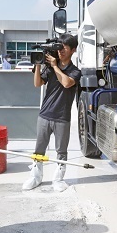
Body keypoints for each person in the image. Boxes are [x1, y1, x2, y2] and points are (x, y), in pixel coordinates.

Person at [22, 34, 81, 192]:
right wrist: (38, 65)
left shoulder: (75, 71)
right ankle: (35, 177)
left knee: (61, 151)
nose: (61, 50)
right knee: (39, 149)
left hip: (62, 117)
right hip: (44, 115)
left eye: (65, 47)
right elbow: (37, 84)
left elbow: (67, 83)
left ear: (73, 50)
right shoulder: (49, 67)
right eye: (59, 46)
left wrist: (55, 66)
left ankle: (58, 179)